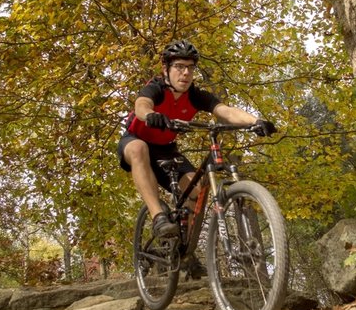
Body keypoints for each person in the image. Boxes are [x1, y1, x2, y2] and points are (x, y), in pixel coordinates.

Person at [117, 39, 277, 244]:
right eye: (179, 67)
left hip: (166, 149)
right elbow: (141, 105)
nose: (185, 73)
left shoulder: (195, 95)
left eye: (190, 68)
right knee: (139, 148)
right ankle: (158, 217)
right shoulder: (156, 88)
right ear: (166, 69)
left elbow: (225, 111)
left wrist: (256, 121)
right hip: (135, 141)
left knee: (196, 190)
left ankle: (185, 248)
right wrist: (149, 115)